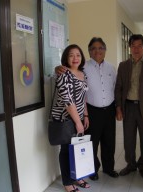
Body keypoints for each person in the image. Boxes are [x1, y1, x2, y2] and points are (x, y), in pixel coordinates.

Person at [55, 37, 119, 180]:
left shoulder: (111, 68)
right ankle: (93, 170)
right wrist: (57, 67)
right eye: (93, 48)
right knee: (92, 142)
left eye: (100, 48)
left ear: (105, 50)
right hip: (91, 110)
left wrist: (117, 108)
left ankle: (109, 168)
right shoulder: (84, 68)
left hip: (109, 110)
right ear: (89, 52)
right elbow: (68, 73)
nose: (97, 51)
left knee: (109, 141)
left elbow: (115, 88)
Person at [115, 34, 143, 179]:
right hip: (128, 107)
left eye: (139, 46)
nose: (136, 49)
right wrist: (118, 108)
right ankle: (131, 164)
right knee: (128, 139)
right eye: (133, 46)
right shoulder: (123, 66)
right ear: (129, 47)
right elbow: (118, 88)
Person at [51, 44, 90, 192]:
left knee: (77, 148)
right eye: (71, 55)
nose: (75, 58)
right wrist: (77, 122)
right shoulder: (64, 74)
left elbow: (83, 97)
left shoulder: (82, 73)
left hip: (78, 117)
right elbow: (68, 101)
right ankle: (67, 183)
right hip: (65, 119)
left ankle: (77, 176)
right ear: (66, 58)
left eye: (78, 55)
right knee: (66, 150)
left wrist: (85, 115)